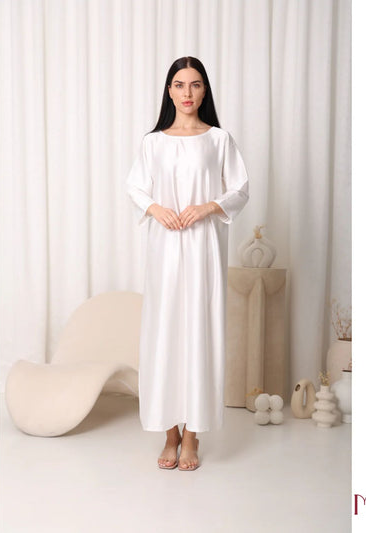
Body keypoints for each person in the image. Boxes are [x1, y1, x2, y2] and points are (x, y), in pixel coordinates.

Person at [125, 56, 249, 471]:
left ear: (204, 90)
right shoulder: (153, 142)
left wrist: (209, 206)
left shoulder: (219, 139)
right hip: (165, 247)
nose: (187, 93)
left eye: (195, 85)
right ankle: (169, 433)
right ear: (169, 91)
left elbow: (240, 187)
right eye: (179, 85)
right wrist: (156, 208)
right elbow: (135, 186)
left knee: (199, 330)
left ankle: (193, 434)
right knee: (164, 331)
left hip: (203, 247)